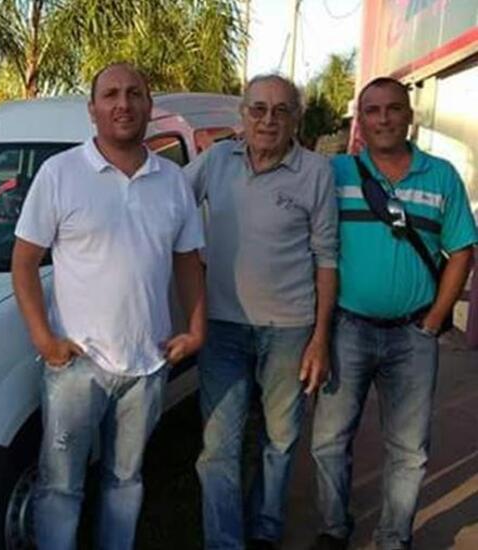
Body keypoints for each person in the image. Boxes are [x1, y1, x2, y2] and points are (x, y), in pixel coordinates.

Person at [11, 62, 207, 550]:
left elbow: (188, 261)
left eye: (134, 93)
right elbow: (24, 261)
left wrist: (196, 329)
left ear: (149, 105)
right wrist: (44, 340)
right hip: (77, 365)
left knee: (126, 481)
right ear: (93, 109)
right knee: (61, 487)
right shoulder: (60, 174)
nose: (123, 104)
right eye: (111, 94)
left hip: (148, 364)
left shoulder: (172, 180)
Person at [310, 77, 477, 550]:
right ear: (359, 122)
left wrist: (434, 320)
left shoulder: (440, 176)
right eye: (373, 110)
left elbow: (462, 251)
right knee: (328, 440)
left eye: (393, 109)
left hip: (412, 336)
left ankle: (393, 538)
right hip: (346, 329)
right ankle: (333, 529)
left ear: (409, 116)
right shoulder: (335, 174)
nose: (383, 119)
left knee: (409, 449)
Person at [184, 73, 339, 550]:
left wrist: (320, 339)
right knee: (218, 448)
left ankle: (267, 528)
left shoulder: (316, 172)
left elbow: (327, 258)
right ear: (243, 115)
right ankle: (225, 542)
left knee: (280, 438)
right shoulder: (215, 161)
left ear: (296, 119)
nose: (268, 120)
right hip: (222, 327)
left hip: (290, 329)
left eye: (281, 110)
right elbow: (165, 205)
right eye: (258, 109)